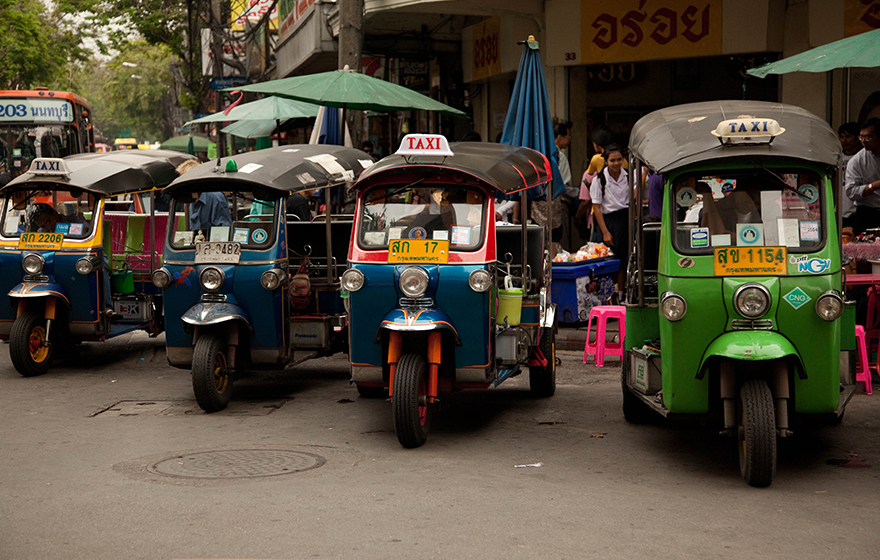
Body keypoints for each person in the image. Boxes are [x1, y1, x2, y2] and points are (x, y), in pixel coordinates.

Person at [589, 145, 628, 299]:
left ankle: (621, 294)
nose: (616, 163)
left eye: (619, 159)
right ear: (606, 161)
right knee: (607, 260)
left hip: (624, 219)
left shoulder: (628, 177)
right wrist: (605, 231)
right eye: (612, 160)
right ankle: (607, 296)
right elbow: (596, 208)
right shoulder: (599, 180)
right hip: (607, 221)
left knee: (623, 259)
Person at [845, 117, 880, 235]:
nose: (864, 141)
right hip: (868, 214)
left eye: (868, 137)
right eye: (861, 137)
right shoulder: (857, 161)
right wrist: (874, 186)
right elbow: (850, 191)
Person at [839, 122, 862, 230]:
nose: (844, 140)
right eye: (842, 136)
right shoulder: (838, 157)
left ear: (857, 138)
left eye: (848, 136)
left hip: (855, 210)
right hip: (839, 209)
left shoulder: (861, 158)